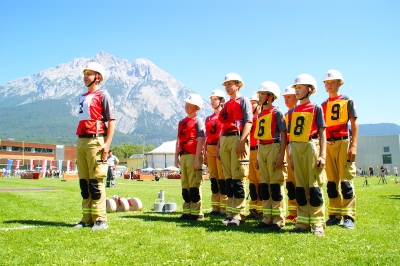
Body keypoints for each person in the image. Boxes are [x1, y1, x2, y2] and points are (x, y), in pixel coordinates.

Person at [74, 62, 116, 231]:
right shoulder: (82, 97)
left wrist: (107, 143)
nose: (85, 76)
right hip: (81, 141)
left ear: (97, 77)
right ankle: (87, 218)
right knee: (84, 182)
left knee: (96, 181)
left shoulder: (103, 95)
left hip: (96, 140)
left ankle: (100, 219)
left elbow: (111, 120)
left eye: (89, 74)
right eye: (84, 73)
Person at [288, 74, 327, 237]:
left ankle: (318, 222)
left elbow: (322, 131)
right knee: (300, 186)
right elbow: (290, 136)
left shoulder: (316, 107)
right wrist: (290, 155)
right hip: (296, 147)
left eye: (300, 87)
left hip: (311, 145)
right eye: (295, 87)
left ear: (309, 90)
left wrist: (323, 155)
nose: (296, 90)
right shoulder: (292, 111)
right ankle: (303, 221)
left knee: (313, 185)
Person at [321, 69, 358, 230]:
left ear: (339, 83)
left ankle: (348, 215)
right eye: (327, 83)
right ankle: (334, 214)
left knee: (346, 182)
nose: (329, 85)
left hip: (343, 141)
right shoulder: (323, 105)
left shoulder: (347, 100)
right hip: (328, 143)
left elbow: (354, 123)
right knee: (331, 182)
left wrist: (353, 145)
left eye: (332, 82)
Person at [218, 73, 253, 226]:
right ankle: (230, 212)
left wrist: (242, 141)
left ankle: (238, 213)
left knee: (238, 177)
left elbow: (249, 121)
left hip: (237, 137)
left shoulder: (244, 100)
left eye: (230, 84)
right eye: (225, 85)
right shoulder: (225, 105)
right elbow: (222, 126)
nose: (227, 87)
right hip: (225, 138)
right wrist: (219, 146)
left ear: (238, 84)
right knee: (229, 179)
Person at [253, 82, 287, 231]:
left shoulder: (277, 112)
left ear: (270, 96)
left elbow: (284, 135)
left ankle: (278, 220)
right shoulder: (260, 114)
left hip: (274, 146)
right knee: (265, 186)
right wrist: (258, 157)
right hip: (263, 148)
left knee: (275, 185)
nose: (259, 96)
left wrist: (281, 155)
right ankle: (267, 218)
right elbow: (260, 137)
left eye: (261, 94)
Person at [174, 94, 205, 221]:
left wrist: (197, 158)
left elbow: (201, 139)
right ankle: (186, 211)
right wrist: (176, 158)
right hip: (184, 155)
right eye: (186, 103)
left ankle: (197, 213)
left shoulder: (198, 121)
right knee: (185, 186)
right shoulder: (182, 122)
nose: (187, 105)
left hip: (193, 155)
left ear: (196, 107)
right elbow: (178, 140)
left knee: (194, 185)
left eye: (190, 103)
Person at [204, 89, 228, 217]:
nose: (213, 102)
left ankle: (224, 207)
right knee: (213, 178)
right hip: (210, 148)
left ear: (221, 101)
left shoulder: (224, 116)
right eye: (211, 99)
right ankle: (215, 207)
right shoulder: (208, 118)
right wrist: (204, 151)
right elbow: (206, 136)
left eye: (215, 99)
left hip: (221, 148)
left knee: (222, 178)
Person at [282, 86, 299, 223]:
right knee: (290, 182)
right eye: (285, 97)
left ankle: (302, 210)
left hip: (297, 148)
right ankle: (292, 211)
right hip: (287, 149)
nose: (286, 99)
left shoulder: (298, 112)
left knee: (300, 181)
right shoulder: (285, 115)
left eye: (289, 97)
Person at [246, 94, 263, 220]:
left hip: (258, 151)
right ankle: (253, 208)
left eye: (254, 102)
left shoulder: (262, 119)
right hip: (249, 151)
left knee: (261, 182)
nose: (251, 105)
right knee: (252, 183)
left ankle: (262, 209)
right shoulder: (248, 120)